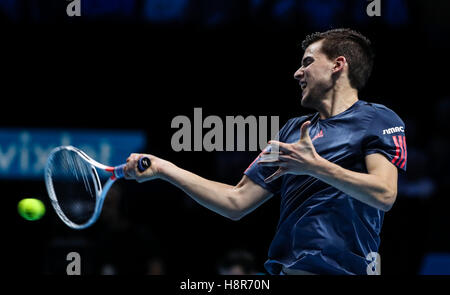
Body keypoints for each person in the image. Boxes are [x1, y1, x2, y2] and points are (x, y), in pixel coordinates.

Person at [124, 28, 407, 275]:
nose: (298, 73)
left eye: (307, 62)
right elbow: (236, 202)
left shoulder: (379, 119)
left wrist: (316, 166)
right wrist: (164, 169)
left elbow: (384, 193)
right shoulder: (291, 133)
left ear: (338, 65)